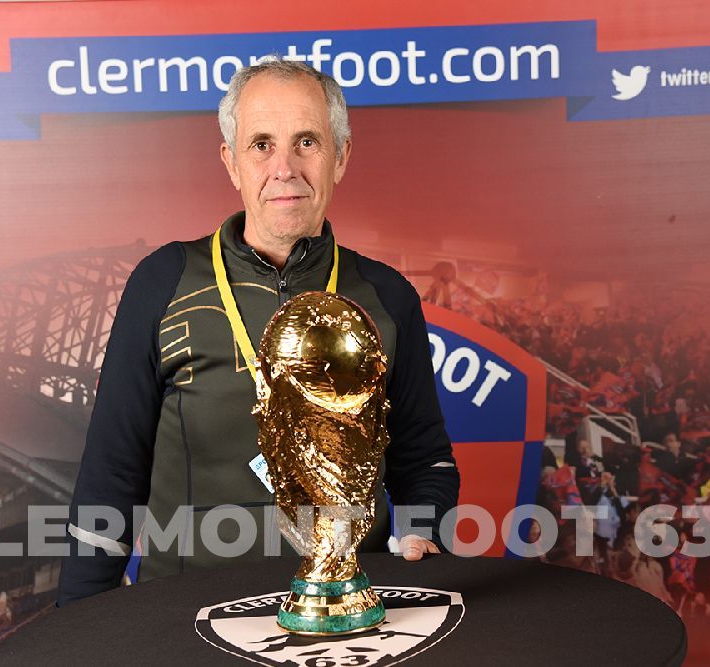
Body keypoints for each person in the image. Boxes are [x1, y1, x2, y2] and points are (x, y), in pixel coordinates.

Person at [56, 59, 460, 606]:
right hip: (183, 619)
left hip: (349, 616)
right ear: (231, 162)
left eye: (308, 142)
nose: (285, 168)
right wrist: (78, 627)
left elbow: (425, 461)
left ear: (340, 157)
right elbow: (110, 472)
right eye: (262, 144)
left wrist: (421, 532)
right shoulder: (164, 282)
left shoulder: (387, 296)